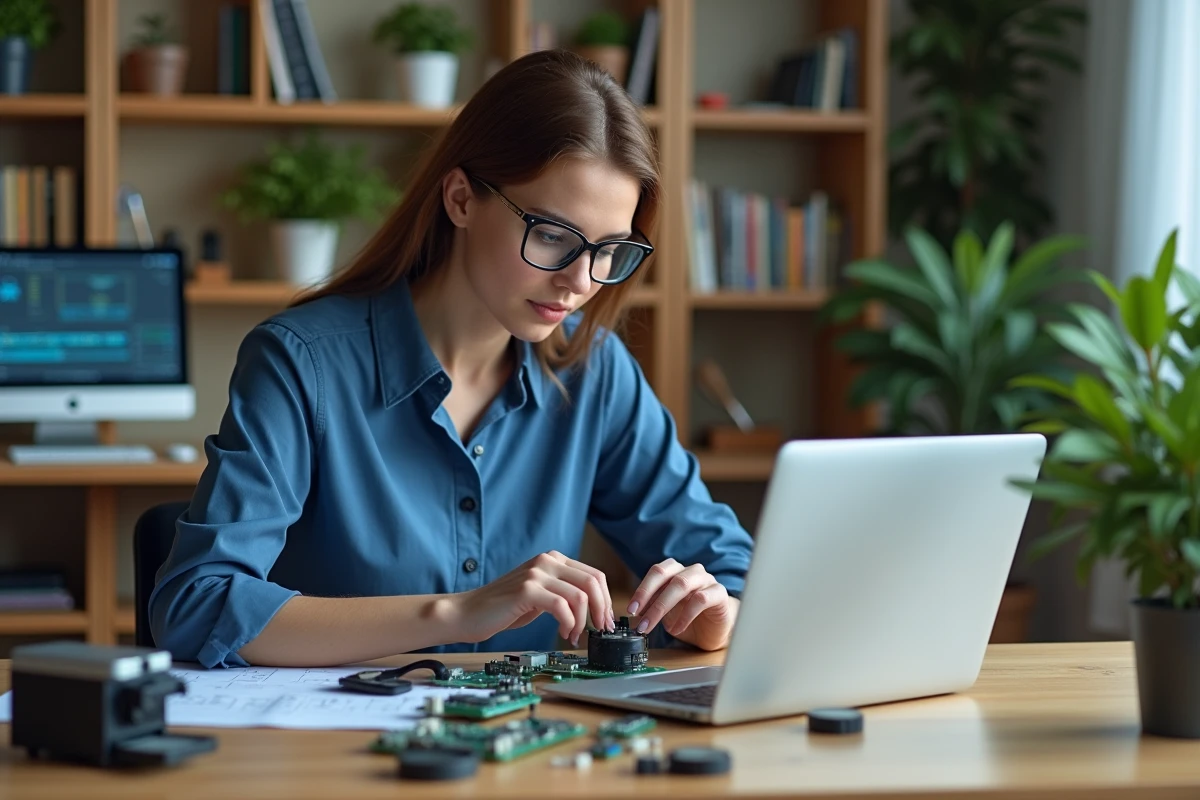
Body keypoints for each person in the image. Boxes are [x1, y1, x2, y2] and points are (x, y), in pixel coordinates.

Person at [149, 49, 754, 669]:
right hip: (332, 752)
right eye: (551, 235)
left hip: (531, 751)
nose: (579, 281)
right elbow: (197, 601)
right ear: (461, 198)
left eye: (608, 250)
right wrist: (460, 611)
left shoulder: (593, 370)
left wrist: (716, 614)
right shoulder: (302, 363)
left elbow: (733, 568)